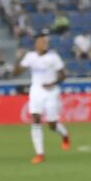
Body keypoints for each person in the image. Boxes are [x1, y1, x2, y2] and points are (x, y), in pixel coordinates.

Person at [14, 32, 71, 164]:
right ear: (36, 44)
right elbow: (16, 73)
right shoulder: (30, 56)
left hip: (51, 92)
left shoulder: (53, 57)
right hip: (36, 90)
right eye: (41, 42)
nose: (44, 44)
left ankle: (64, 135)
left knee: (52, 124)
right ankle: (40, 154)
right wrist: (19, 59)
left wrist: (53, 83)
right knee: (35, 118)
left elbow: (63, 75)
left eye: (45, 42)